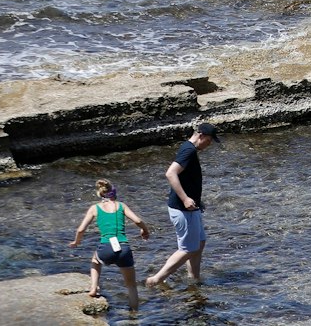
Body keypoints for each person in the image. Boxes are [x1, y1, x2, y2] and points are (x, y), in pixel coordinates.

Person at [147, 122, 221, 288]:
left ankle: (193, 278)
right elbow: (170, 173)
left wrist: (195, 199)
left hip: (191, 207)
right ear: (200, 135)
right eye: (208, 141)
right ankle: (155, 280)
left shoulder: (190, 149)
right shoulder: (188, 150)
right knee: (188, 249)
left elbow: (186, 178)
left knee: (200, 243)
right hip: (183, 209)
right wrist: (186, 198)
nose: (209, 145)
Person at [68, 179, 151, 311]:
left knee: (95, 260)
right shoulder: (121, 206)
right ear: (113, 192)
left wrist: (76, 242)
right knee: (131, 286)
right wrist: (145, 230)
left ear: (99, 194)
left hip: (106, 248)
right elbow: (138, 220)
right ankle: (134, 315)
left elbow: (81, 229)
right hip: (123, 248)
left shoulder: (94, 208)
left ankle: (94, 287)